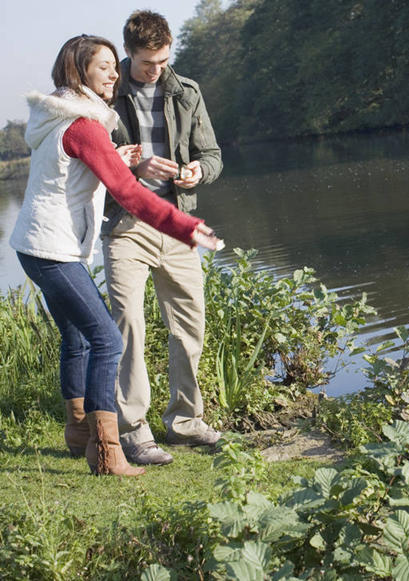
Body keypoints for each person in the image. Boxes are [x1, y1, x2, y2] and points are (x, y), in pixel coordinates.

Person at [9, 34, 222, 477]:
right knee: (108, 338)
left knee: (79, 338)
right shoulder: (86, 125)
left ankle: (78, 433)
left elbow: (80, 165)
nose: (114, 72)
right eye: (104, 66)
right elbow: (127, 193)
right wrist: (188, 227)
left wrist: (114, 157)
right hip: (52, 248)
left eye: (113, 65)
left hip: (37, 244)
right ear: (79, 73)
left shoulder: (61, 115)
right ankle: (107, 451)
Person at [101, 10, 223, 465]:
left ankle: (186, 423)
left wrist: (197, 172)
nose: (158, 70)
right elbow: (87, 158)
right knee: (128, 323)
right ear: (129, 53)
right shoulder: (107, 96)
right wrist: (132, 165)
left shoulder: (186, 91)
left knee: (190, 324)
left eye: (164, 60)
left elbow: (212, 155)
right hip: (126, 225)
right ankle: (134, 430)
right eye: (149, 62)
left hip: (177, 222)